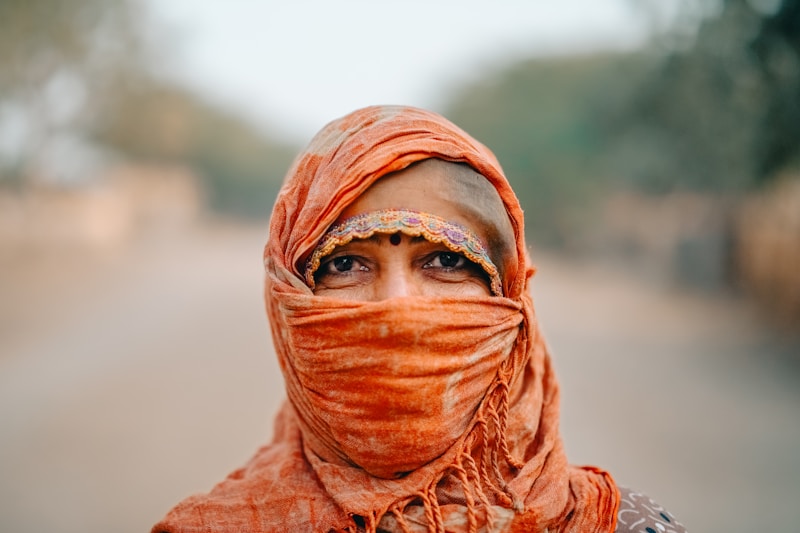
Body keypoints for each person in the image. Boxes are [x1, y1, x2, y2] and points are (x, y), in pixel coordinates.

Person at [152, 105, 686, 533]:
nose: (399, 305)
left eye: (448, 260)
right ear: (287, 301)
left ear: (511, 295)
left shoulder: (622, 526)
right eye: (344, 263)